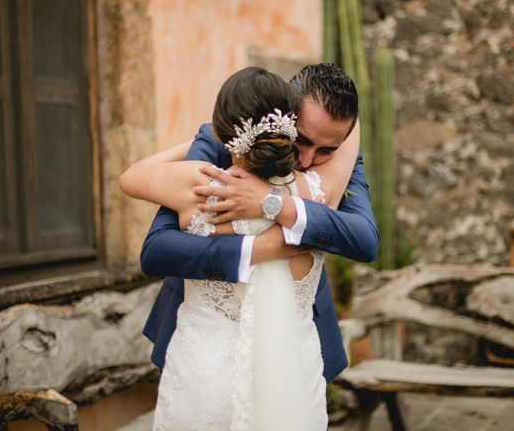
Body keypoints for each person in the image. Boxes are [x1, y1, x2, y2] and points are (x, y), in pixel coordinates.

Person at [122, 66, 361, 428]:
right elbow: (350, 143)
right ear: (288, 124)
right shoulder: (316, 193)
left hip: (205, 372)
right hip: (291, 375)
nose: (310, 157)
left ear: (224, 132)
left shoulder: (200, 184)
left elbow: (130, 178)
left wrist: (204, 137)